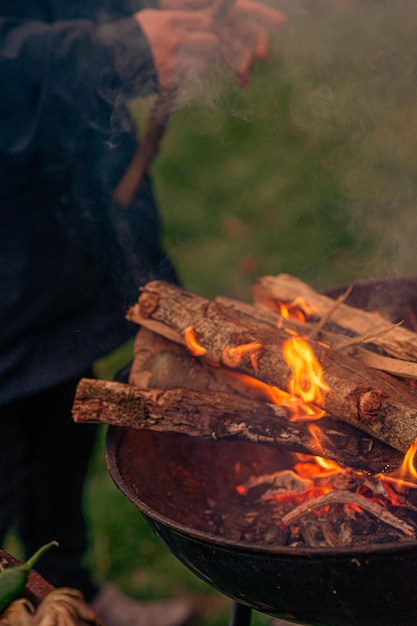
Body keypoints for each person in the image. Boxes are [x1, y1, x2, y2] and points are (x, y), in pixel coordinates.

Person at [0, 1, 286, 624]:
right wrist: (109, 50)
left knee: (57, 414)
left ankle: (72, 592)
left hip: (63, 220)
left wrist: (167, 18)